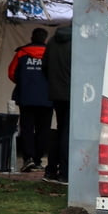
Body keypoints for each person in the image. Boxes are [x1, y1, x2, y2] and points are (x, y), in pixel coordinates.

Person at [7, 27, 51, 172]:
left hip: (25, 97)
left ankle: (28, 159)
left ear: (32, 38)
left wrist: (23, 83)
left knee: (26, 129)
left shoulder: (21, 53)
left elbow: (12, 73)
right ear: (45, 39)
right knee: (43, 130)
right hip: (47, 99)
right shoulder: (50, 53)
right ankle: (38, 159)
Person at [42, 23, 72, 184]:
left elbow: (44, 66)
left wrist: (54, 83)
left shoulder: (53, 40)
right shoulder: (80, 41)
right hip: (74, 93)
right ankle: (65, 173)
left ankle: (51, 170)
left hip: (56, 92)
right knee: (68, 132)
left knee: (60, 130)